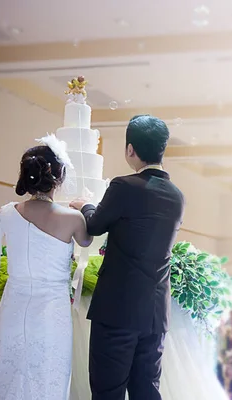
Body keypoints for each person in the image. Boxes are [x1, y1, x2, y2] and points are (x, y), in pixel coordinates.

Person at [69, 115, 184, 400]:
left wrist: (86, 206)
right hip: (155, 313)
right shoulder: (177, 196)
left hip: (118, 311)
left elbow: (94, 226)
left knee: (108, 391)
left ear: (130, 149)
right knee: (147, 390)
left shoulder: (124, 186)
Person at [0, 139, 92, 399]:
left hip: (13, 308)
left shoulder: (6, 213)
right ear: (58, 176)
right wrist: (84, 206)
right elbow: (86, 241)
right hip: (51, 314)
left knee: (6, 375)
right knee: (46, 377)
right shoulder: (73, 218)